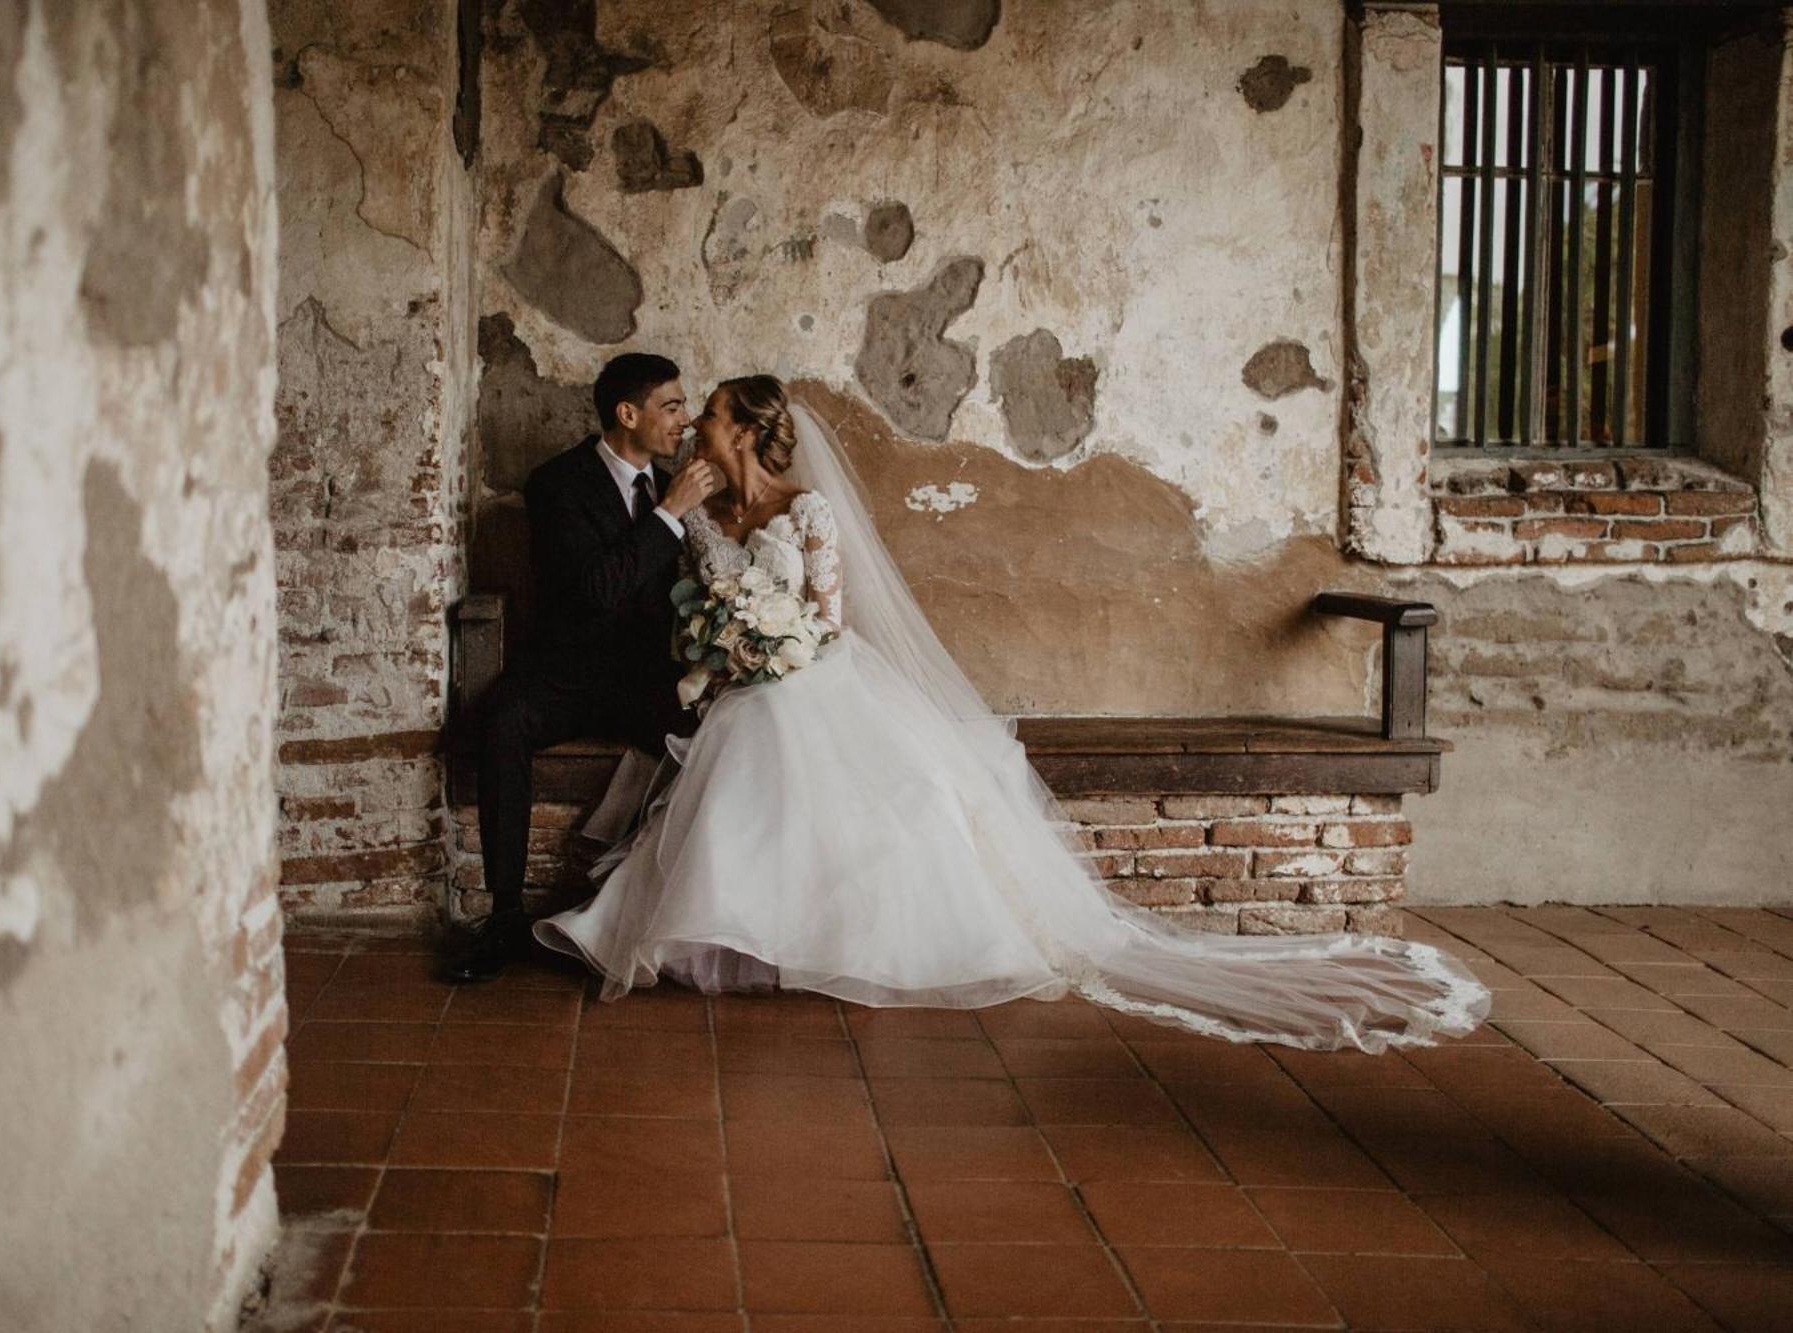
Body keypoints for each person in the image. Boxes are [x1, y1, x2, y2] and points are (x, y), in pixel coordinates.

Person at [534, 375, 1492, 1052]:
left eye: (707, 414)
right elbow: (680, 602)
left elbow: (824, 622)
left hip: (812, 676)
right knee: (743, 756)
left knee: (845, 779)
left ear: (742, 430)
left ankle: (826, 941)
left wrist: (767, 645)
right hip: (744, 685)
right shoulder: (699, 516)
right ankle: (731, 935)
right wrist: (731, 644)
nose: (693, 424)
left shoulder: (808, 512)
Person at [442, 353, 719, 982]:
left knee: (718, 739)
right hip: (566, 675)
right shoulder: (557, 485)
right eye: (671, 406)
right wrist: (669, 514)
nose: (685, 418)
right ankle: (504, 914)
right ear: (628, 414)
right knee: (500, 725)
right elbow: (596, 590)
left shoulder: (671, 482)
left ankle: (665, 916)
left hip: (646, 680)